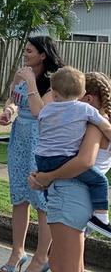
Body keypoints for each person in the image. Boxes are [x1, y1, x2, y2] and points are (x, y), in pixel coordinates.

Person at [29, 71, 111, 272]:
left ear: (88, 97)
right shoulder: (86, 120)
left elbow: (84, 162)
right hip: (71, 195)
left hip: (68, 195)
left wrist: (46, 176)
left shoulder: (91, 123)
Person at [0, 36, 63, 272]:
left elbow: (40, 113)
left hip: (40, 143)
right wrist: (8, 111)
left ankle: (42, 256)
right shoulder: (22, 74)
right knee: (19, 197)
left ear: (43, 54)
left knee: (41, 201)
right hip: (18, 140)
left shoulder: (54, 82)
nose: (25, 55)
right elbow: (14, 99)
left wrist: (30, 80)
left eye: (30, 51)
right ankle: (17, 252)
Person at [31, 67, 111, 242]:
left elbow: (42, 129)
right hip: (66, 170)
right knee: (101, 181)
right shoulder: (86, 112)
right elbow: (85, 161)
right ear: (82, 94)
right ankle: (102, 217)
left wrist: (46, 176)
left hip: (42, 157)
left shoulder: (47, 110)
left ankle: (48, 201)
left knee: (62, 259)